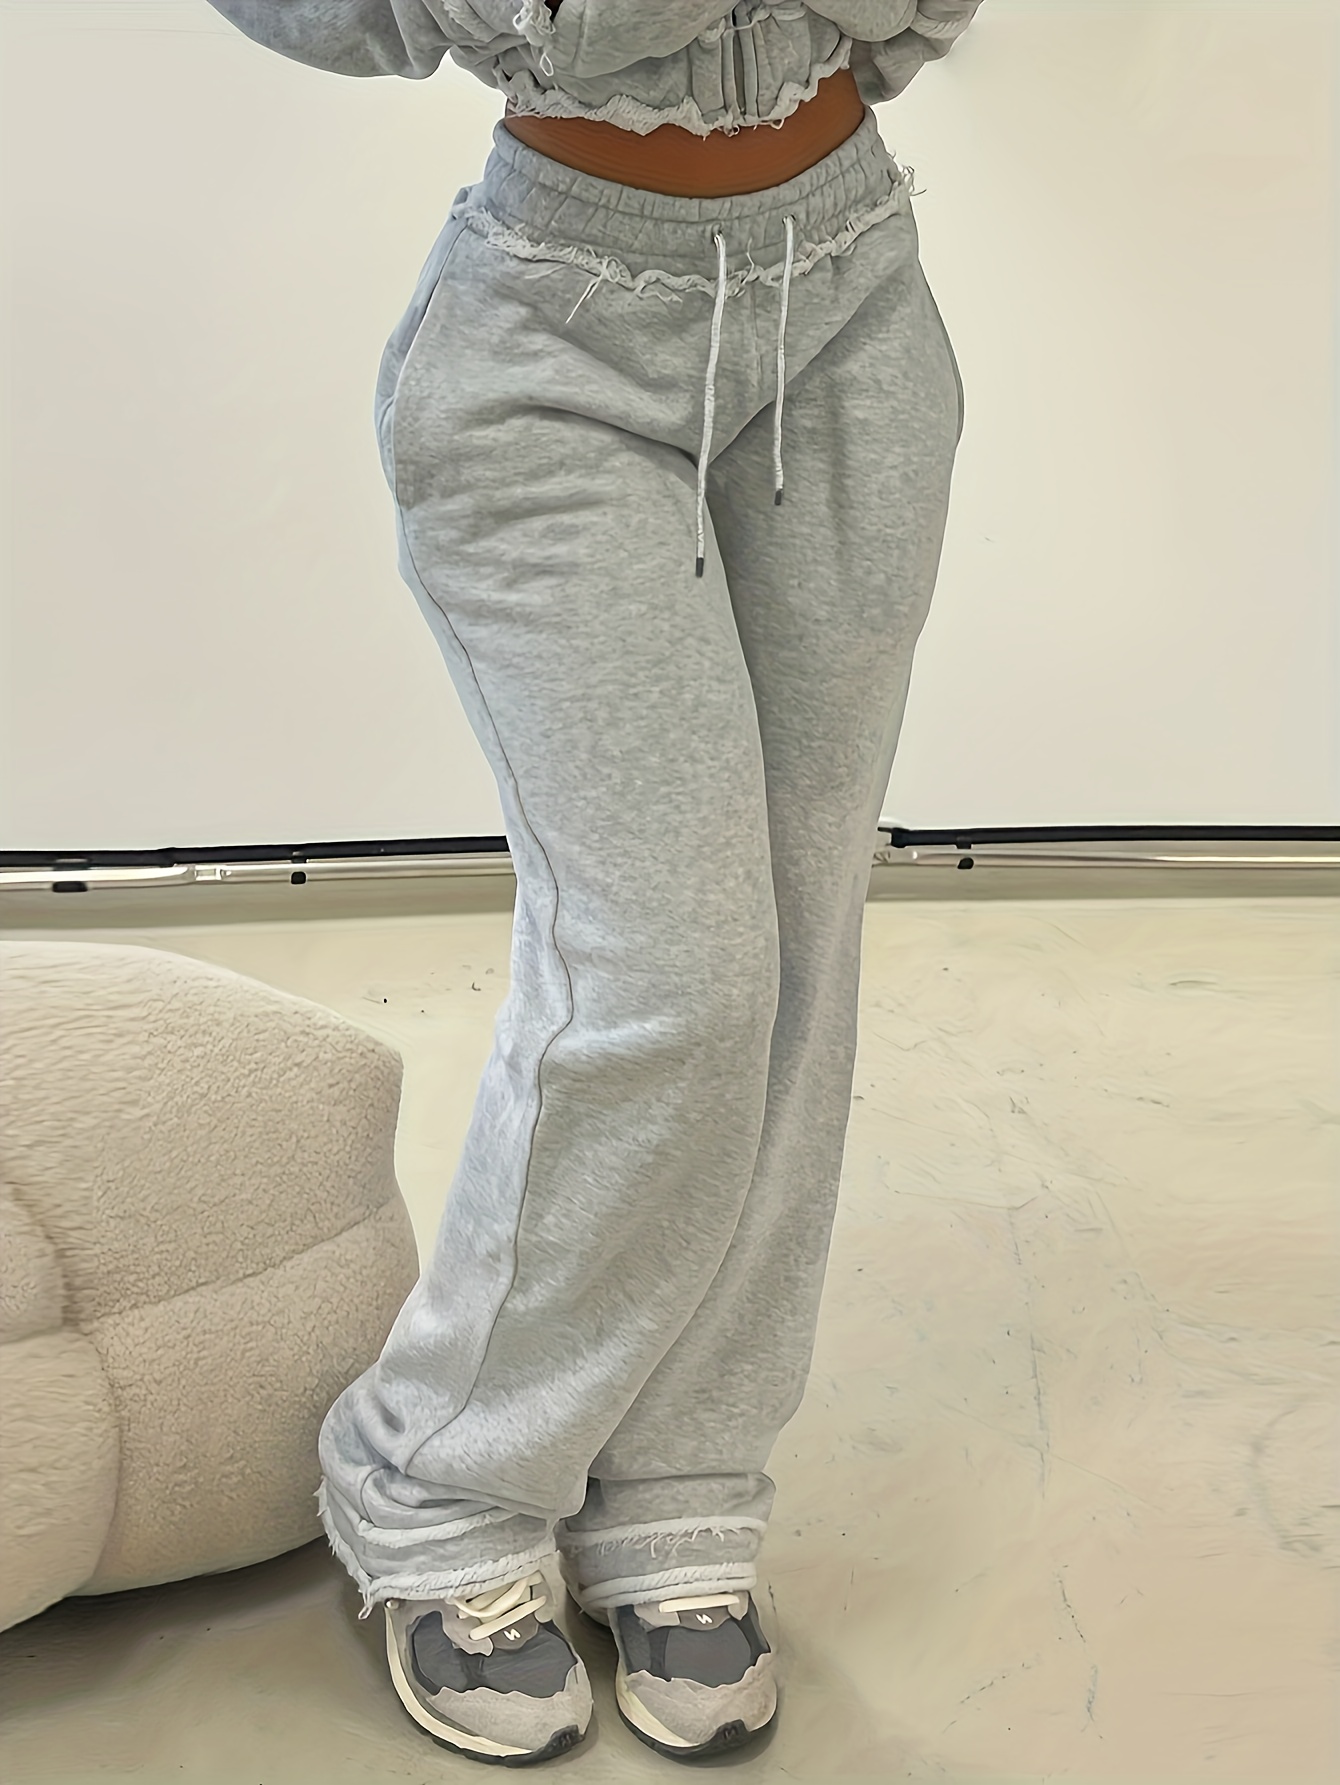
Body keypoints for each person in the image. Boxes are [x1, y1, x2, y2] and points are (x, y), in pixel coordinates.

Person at [204, 0, 979, 1765]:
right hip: (548, 343)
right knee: (669, 973)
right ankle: (435, 1472)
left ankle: (685, 1473)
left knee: (798, 947)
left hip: (855, 300)